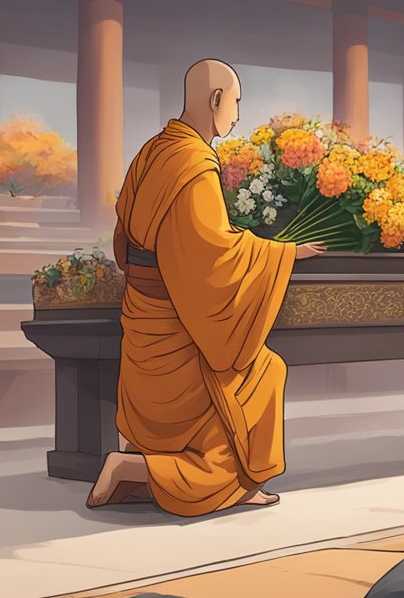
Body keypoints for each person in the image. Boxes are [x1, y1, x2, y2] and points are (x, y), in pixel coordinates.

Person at [85, 59, 326, 514]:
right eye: (235, 102)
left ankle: (152, 463)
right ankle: (137, 469)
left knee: (260, 373)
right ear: (215, 100)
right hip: (181, 334)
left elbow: (126, 239)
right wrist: (284, 253)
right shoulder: (194, 163)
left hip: (143, 321)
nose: (236, 114)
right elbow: (211, 258)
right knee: (265, 373)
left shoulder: (153, 149)